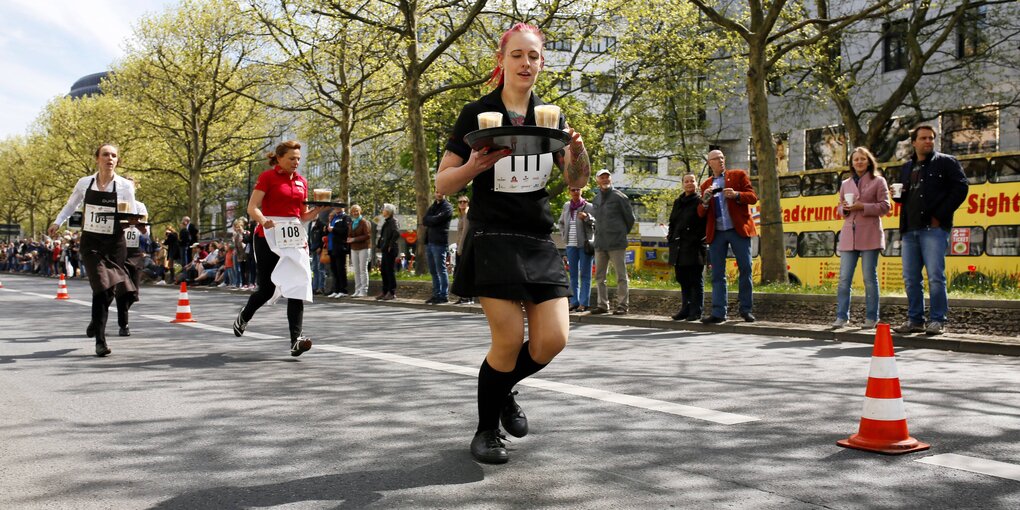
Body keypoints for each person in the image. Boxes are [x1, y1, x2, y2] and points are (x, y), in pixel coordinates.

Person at [436, 22, 590, 464]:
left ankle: (502, 389)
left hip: (537, 237)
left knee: (552, 341)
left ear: (542, 62)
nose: (526, 63)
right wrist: (474, 166)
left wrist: (577, 151)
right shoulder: (477, 113)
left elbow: (575, 182)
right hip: (492, 236)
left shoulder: (552, 117)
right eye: (518, 55)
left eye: (534, 56)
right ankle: (486, 432)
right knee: (507, 338)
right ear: (501, 61)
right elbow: (443, 183)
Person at [231, 140, 326, 356]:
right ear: (280, 158)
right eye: (292, 158)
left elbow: (302, 216)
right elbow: (252, 207)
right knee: (266, 289)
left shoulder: (302, 182)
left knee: (298, 285)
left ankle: (296, 340)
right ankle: (244, 316)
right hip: (268, 235)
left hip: (293, 236)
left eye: (298, 159)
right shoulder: (268, 177)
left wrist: (317, 211)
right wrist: (263, 220)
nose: (296, 162)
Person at [49, 143, 138, 357]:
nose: (110, 158)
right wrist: (57, 222)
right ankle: (100, 341)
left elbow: (133, 215)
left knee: (109, 291)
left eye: (114, 155)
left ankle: (95, 322)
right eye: (105, 154)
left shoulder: (125, 185)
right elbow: (71, 205)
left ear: (118, 160)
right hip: (91, 242)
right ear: (97, 158)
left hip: (115, 243)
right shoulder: (84, 183)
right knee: (100, 287)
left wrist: (130, 221)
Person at [892, 125, 969, 336]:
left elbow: (961, 188)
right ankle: (915, 320)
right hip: (910, 229)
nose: (928, 141)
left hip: (933, 228)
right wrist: (897, 195)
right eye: (923, 138)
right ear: (914, 142)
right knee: (910, 278)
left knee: (935, 276)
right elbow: (905, 196)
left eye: (931, 138)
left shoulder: (946, 162)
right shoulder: (907, 167)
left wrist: (940, 215)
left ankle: (938, 320)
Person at [832, 147, 891, 329]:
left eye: (862, 159)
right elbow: (840, 209)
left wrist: (862, 206)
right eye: (855, 159)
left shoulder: (878, 181)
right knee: (844, 279)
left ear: (869, 161)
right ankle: (842, 317)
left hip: (870, 235)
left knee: (869, 278)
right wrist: (845, 209)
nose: (859, 162)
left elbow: (885, 206)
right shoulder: (845, 184)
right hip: (849, 235)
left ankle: (872, 318)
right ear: (851, 162)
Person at [698, 149, 758, 324]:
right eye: (717, 159)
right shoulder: (705, 185)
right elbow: (701, 212)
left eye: (722, 157)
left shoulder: (738, 176)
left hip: (737, 230)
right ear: (710, 163)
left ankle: (746, 310)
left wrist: (737, 195)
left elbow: (753, 197)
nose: (721, 161)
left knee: (746, 269)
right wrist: (706, 200)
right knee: (717, 273)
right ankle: (718, 312)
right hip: (717, 233)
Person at [590, 169, 635, 315]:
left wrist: (620, 233)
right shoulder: (596, 198)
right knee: (600, 277)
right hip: (600, 244)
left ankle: (622, 306)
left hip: (616, 243)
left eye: (607, 177)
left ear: (611, 179)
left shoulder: (620, 197)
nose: (605, 180)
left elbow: (630, 219)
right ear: (597, 180)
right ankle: (602, 305)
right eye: (601, 177)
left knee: (621, 276)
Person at [667, 173, 708, 321]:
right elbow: (672, 222)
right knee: (682, 278)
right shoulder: (678, 202)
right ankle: (685, 308)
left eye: (692, 181)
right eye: (686, 181)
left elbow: (703, 221)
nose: (689, 183)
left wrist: (697, 238)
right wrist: (670, 237)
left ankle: (696, 311)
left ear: (697, 184)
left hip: (694, 246)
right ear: (682, 184)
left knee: (695, 280)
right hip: (679, 246)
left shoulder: (700, 201)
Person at [114, 178, 149, 336]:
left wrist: (141, 228)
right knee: (122, 289)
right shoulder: (116, 205)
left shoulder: (140, 206)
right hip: (118, 250)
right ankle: (124, 324)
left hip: (135, 252)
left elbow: (147, 234)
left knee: (133, 293)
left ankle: (121, 311)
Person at [557, 186, 595, 312]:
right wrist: (564, 235)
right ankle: (574, 302)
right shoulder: (566, 206)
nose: (575, 192)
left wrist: (587, 217)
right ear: (569, 191)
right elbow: (561, 222)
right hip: (570, 245)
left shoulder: (589, 206)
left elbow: (596, 223)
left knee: (585, 274)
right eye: (573, 190)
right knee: (572, 274)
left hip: (584, 244)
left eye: (578, 189)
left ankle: (584, 303)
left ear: (581, 191)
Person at [423, 192, 454, 304]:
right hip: (429, 242)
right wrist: (432, 219)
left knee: (441, 270)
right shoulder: (433, 206)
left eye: (441, 192)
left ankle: (443, 295)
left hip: (439, 243)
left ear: (445, 193)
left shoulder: (447, 207)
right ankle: (436, 294)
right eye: (437, 192)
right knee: (433, 271)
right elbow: (424, 220)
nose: (438, 194)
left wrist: (431, 220)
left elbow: (435, 220)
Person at [452, 195, 475, 305]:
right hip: (460, 245)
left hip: (464, 246)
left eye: (464, 201)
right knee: (460, 271)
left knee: (463, 271)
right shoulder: (461, 215)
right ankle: (464, 296)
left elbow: (465, 232)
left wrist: (460, 248)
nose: (462, 203)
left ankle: (467, 297)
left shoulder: (466, 214)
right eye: (460, 202)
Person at [375, 204, 400, 300]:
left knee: (389, 271)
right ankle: (385, 291)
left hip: (390, 249)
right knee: (384, 271)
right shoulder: (387, 222)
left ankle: (391, 292)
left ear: (389, 211)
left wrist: (390, 244)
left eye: (384, 210)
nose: (382, 211)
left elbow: (396, 233)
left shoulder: (394, 221)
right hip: (385, 249)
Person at [347, 204, 371, 297]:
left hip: (363, 248)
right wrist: (349, 238)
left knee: (363, 269)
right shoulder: (352, 223)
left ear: (360, 211)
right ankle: (357, 289)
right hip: (354, 248)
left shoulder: (364, 222)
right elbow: (350, 234)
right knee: (356, 270)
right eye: (353, 211)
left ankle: (364, 290)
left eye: (357, 211)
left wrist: (354, 239)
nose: (355, 213)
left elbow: (367, 235)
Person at [327, 206, 351, 298]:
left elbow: (345, 231)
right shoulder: (334, 217)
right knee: (334, 269)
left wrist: (334, 229)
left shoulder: (345, 218)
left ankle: (343, 290)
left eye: (339, 206)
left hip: (340, 247)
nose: (337, 208)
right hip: (332, 246)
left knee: (341, 269)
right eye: (336, 206)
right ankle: (336, 290)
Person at [308, 211, 329, 295]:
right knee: (314, 269)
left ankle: (321, 287)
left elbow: (323, 236)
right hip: (312, 249)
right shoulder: (310, 224)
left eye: (315, 214)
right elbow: (309, 237)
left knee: (321, 269)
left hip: (319, 249)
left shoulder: (322, 224)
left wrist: (320, 247)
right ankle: (314, 287)